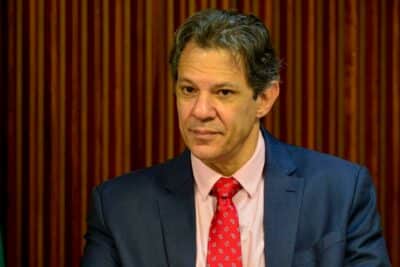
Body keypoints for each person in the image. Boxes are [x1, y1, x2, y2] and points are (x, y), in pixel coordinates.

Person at [81, 9, 390, 267]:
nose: (200, 111)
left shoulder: (340, 191)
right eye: (188, 90)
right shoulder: (119, 208)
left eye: (223, 92)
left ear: (265, 98)